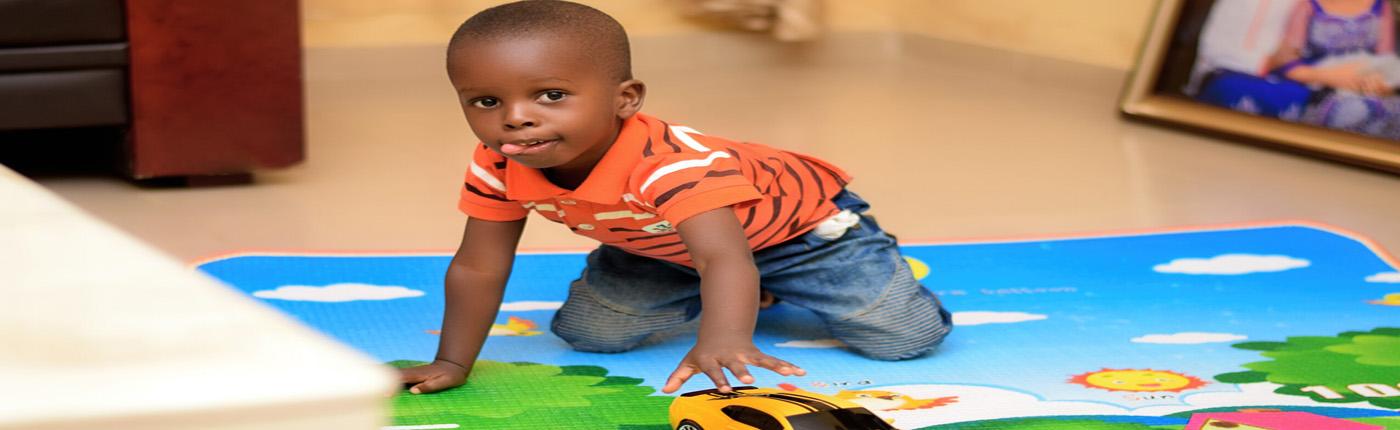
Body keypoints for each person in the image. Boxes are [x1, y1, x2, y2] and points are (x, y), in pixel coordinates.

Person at [399, 0, 952, 396]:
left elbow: (724, 256)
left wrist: (723, 339)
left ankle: (842, 273)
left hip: (804, 236)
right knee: (589, 335)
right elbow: (477, 266)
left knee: (903, 339)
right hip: (664, 246)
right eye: (486, 101)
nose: (515, 117)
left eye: (551, 95)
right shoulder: (499, 160)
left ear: (625, 98)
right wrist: (452, 360)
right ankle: (740, 295)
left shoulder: (671, 165)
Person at [1266, 0, 1400, 137]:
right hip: (1321, 88)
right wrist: (1332, 77)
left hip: (1369, 86)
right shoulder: (1307, 5)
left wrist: (1383, 85)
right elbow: (1285, 64)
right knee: (1354, 111)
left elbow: (1387, 60)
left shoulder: (1381, 5)